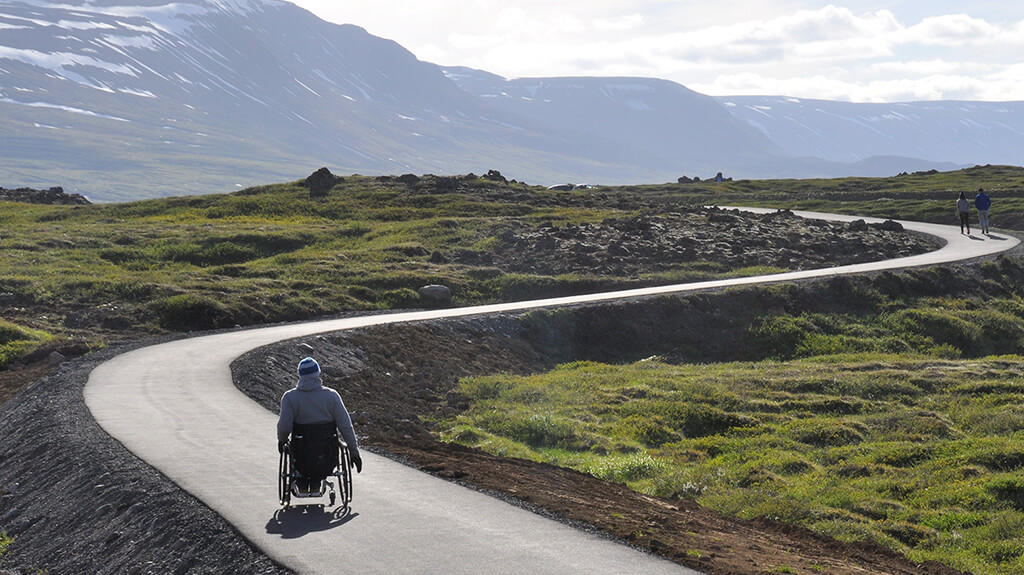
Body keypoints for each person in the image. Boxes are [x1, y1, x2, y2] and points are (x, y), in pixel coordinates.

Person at [278, 357, 362, 492]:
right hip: (328, 454)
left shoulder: (290, 397)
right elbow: (345, 426)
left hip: (301, 454)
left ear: (300, 375)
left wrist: (282, 440)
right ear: (318, 373)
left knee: (298, 448)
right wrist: (354, 452)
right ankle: (317, 480)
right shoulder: (331, 396)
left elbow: (284, 427)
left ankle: (302, 481)